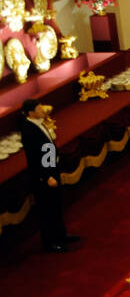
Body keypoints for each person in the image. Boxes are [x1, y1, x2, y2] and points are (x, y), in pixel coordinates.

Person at [20, 100, 78, 252]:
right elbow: (34, 158)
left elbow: (47, 148)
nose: (42, 109)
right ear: (31, 112)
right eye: (39, 108)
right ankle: (50, 242)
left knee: (56, 205)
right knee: (47, 210)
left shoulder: (39, 123)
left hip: (52, 170)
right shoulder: (28, 130)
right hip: (44, 177)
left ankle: (61, 234)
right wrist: (46, 177)